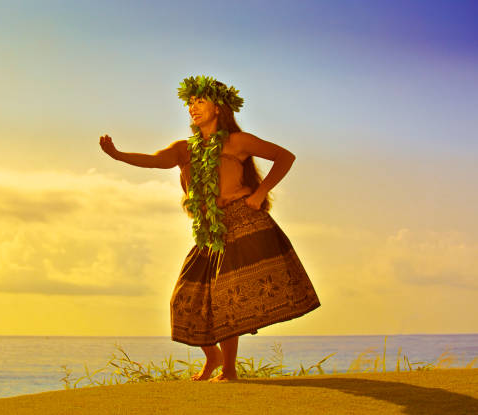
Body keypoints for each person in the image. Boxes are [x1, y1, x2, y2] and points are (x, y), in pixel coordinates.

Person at [99, 75, 321, 383]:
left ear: (219, 107)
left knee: (226, 298)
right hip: (209, 232)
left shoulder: (237, 142)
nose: (193, 107)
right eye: (190, 102)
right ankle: (213, 356)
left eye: (200, 101)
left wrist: (260, 193)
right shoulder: (183, 150)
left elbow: (285, 157)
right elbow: (153, 160)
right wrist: (118, 155)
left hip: (244, 222)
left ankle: (228, 370)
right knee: (184, 298)